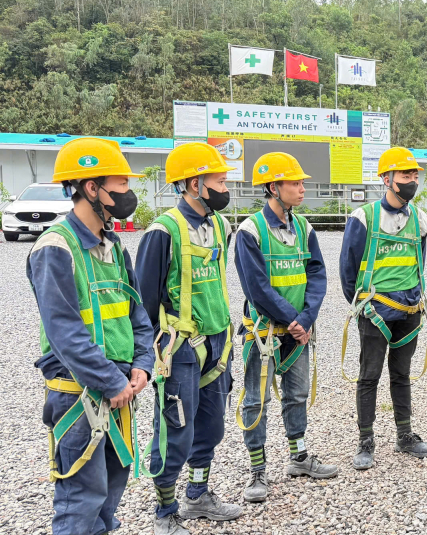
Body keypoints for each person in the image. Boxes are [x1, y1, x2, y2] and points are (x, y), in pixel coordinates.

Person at [29, 138, 154, 535]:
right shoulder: (55, 248)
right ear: (90, 187)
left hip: (117, 392)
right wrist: (111, 381)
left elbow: (138, 315)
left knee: (110, 490)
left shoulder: (113, 247)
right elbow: (65, 332)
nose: (128, 194)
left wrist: (142, 365)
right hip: (79, 394)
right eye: (120, 184)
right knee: (81, 499)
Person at [135, 143, 241, 533]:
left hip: (218, 343)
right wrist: (147, 359)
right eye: (219, 180)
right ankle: (164, 509)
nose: (226, 186)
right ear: (194, 184)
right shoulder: (162, 232)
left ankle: (197, 496)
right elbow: (144, 301)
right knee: (174, 430)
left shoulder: (218, 226)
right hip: (180, 349)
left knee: (211, 427)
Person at [235, 152, 336, 503]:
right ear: (273, 188)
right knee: (256, 401)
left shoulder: (304, 227)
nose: (302, 188)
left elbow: (317, 274)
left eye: (301, 182)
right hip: (263, 334)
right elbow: (256, 286)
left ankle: (299, 457)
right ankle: (257, 471)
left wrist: (306, 318)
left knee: (297, 395)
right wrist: (291, 320)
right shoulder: (250, 231)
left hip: (298, 332)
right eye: (294, 183)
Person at [340, 146, 427, 470]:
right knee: (369, 376)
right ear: (386, 179)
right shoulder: (364, 218)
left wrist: (416, 298)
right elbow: (347, 271)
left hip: (409, 312)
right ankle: (366, 441)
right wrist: (362, 306)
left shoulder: (420, 219)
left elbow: (419, 263)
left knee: (402, 374)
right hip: (375, 314)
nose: (412, 180)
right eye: (406, 174)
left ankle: (404, 435)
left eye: (414, 175)